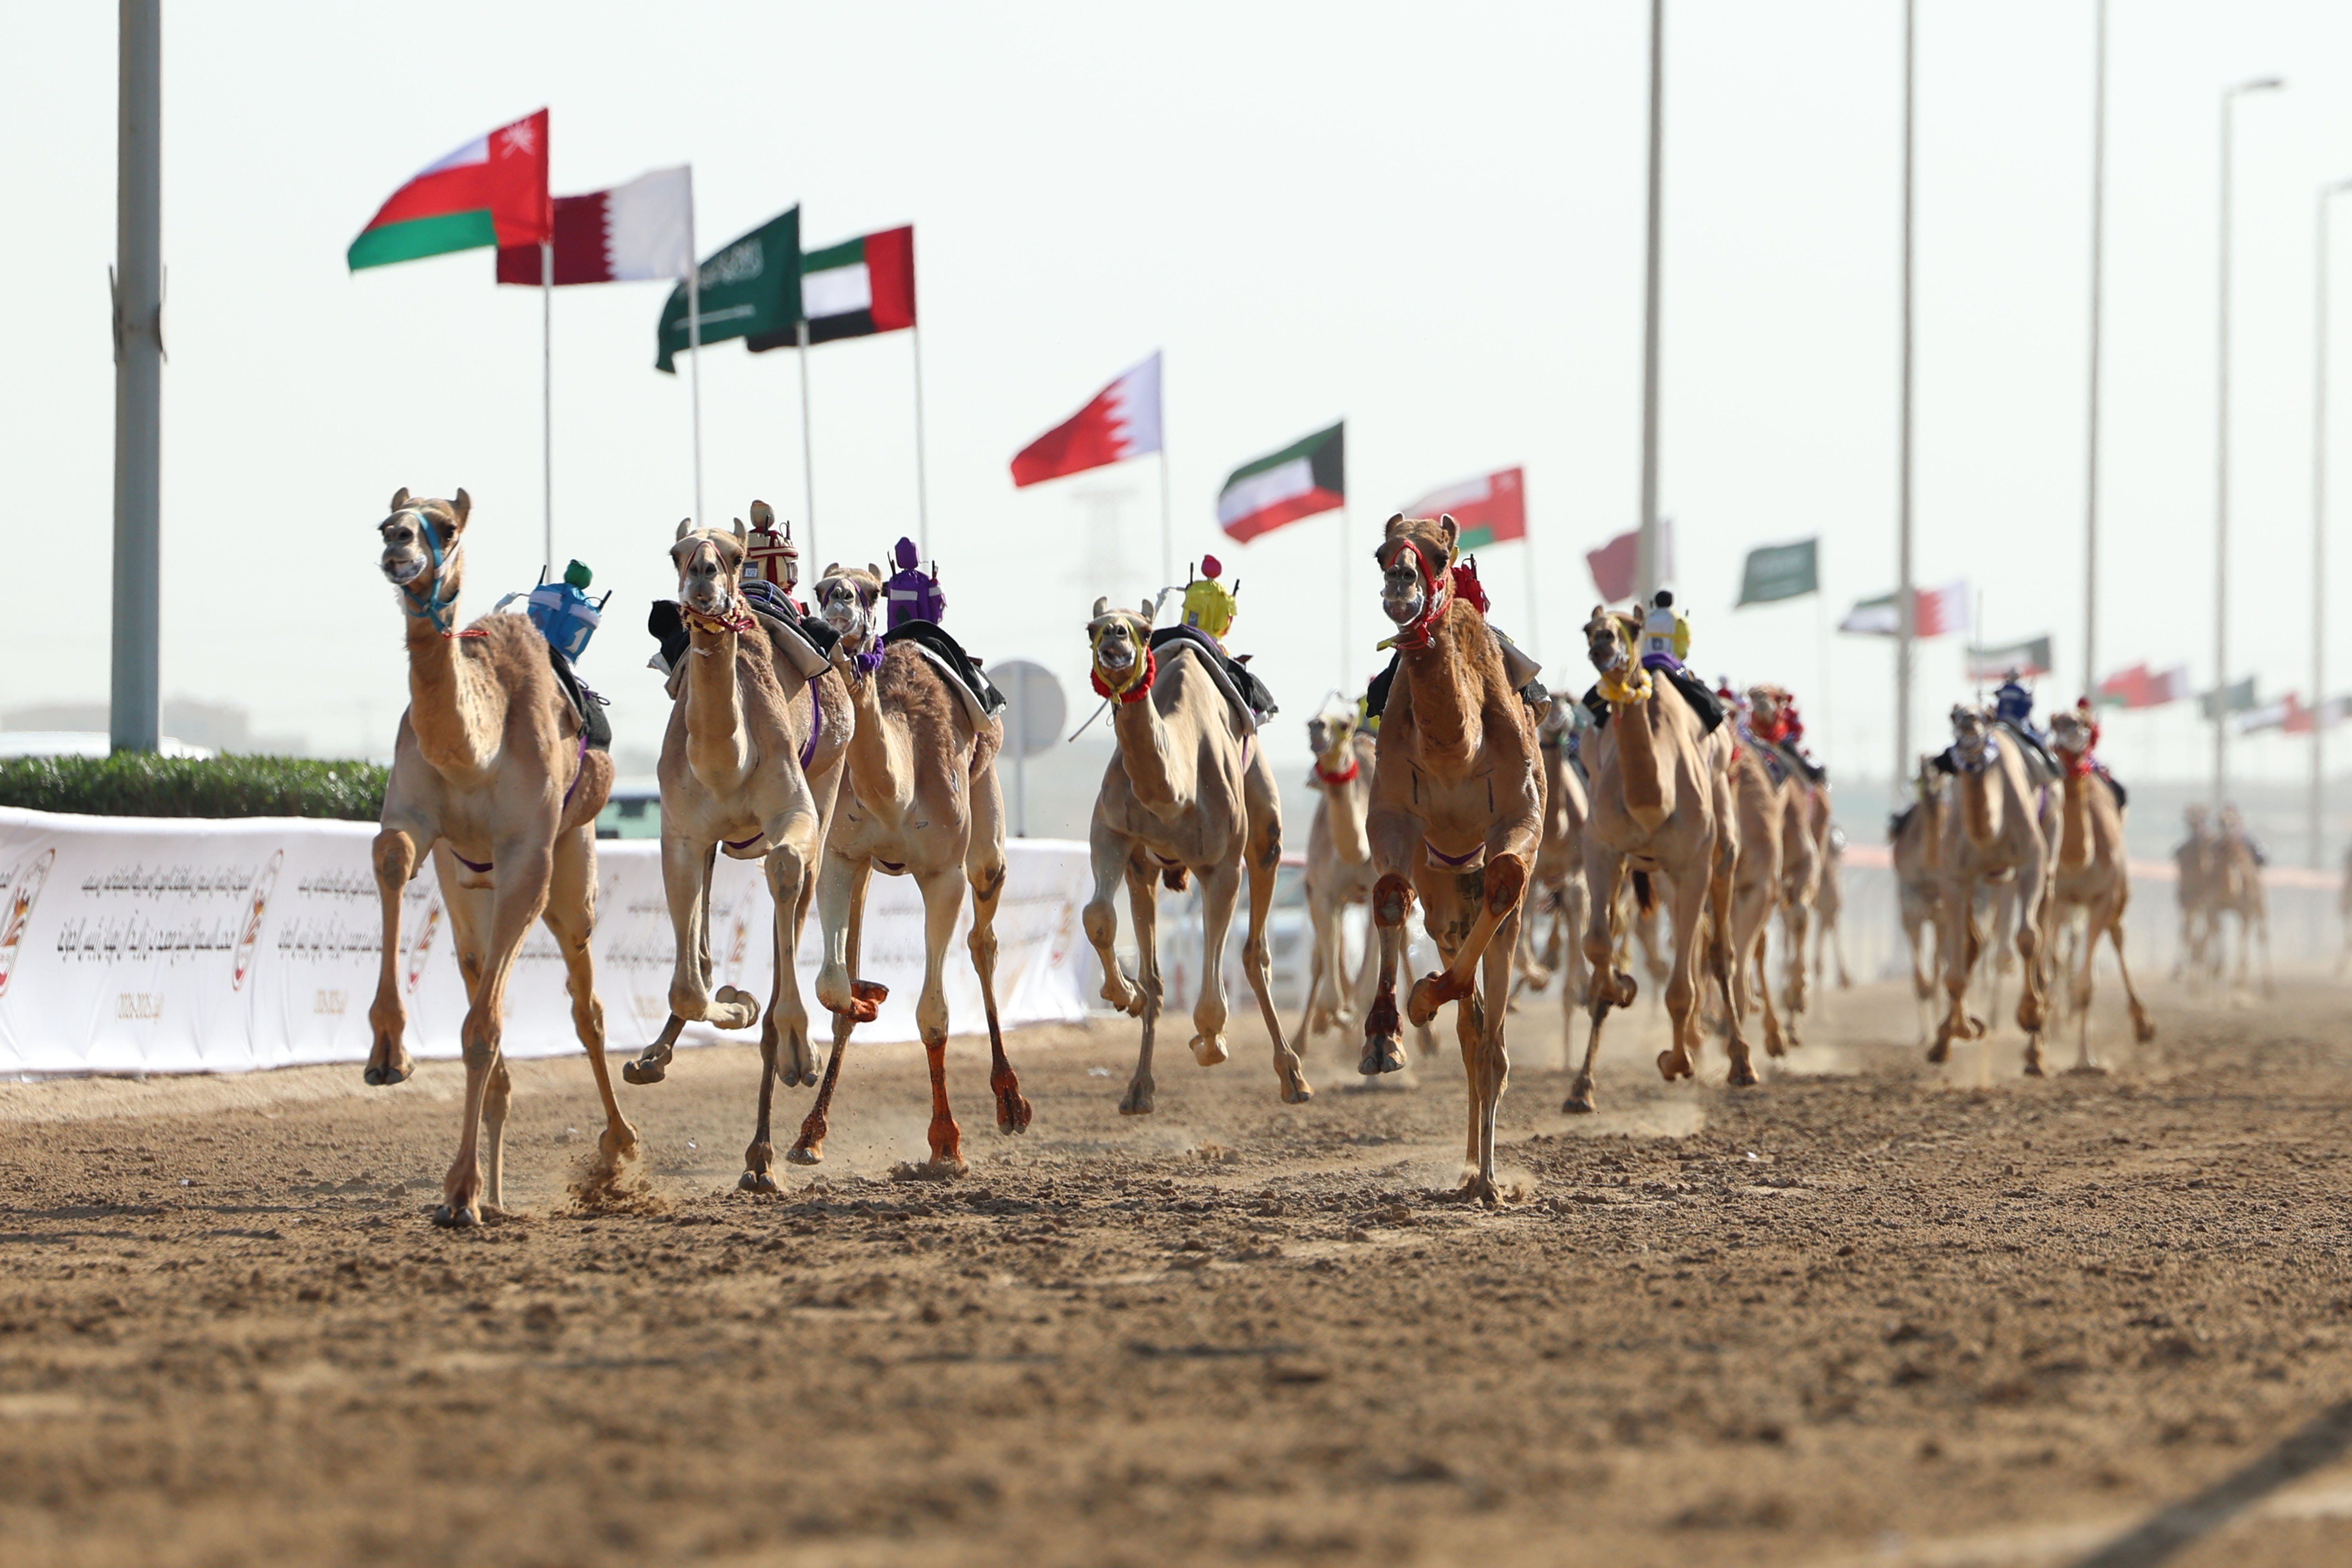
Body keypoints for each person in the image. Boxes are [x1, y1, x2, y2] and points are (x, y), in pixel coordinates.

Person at [884, 537, 946, 630]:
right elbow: (938, 603)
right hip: (926, 629)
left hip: (895, 632)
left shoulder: (894, 582)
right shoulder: (927, 580)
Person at [1182, 555, 1240, 643]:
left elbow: (1187, 617)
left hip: (1188, 632)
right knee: (1227, 655)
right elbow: (1224, 622)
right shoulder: (1222, 591)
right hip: (1212, 638)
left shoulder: (1195, 587)